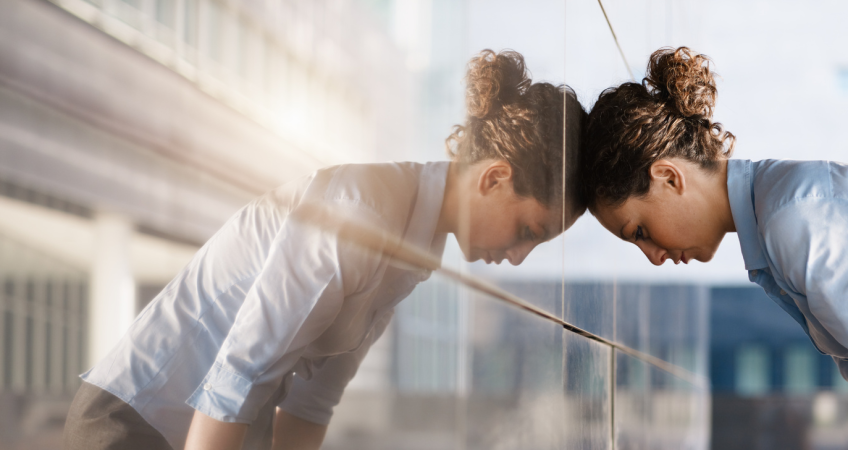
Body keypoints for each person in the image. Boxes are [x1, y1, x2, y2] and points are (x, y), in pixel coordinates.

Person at [62, 49, 588, 450]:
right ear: (495, 178)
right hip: (134, 424)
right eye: (529, 230)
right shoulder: (362, 210)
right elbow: (237, 378)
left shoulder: (417, 244)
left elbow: (316, 397)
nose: (519, 256)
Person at [580, 46, 848, 380]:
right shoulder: (776, 212)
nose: (653, 258)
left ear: (668, 177)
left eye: (640, 232)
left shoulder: (790, 219)